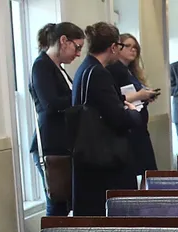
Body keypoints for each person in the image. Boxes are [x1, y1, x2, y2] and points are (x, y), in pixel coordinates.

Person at [70, 22, 142, 216]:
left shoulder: (84, 69)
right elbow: (117, 117)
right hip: (103, 159)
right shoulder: (99, 73)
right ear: (112, 47)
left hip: (88, 155)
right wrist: (133, 112)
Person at [29, 22, 84, 216]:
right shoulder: (41, 65)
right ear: (63, 41)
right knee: (57, 200)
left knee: (65, 200)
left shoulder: (58, 68)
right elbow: (50, 104)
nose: (78, 54)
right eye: (77, 47)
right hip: (50, 145)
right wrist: (80, 96)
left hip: (63, 144)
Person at [110, 33, 159, 183]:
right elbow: (118, 98)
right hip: (129, 128)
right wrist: (140, 95)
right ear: (117, 48)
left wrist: (147, 96)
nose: (133, 50)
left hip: (140, 125)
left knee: (148, 169)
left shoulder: (131, 71)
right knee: (138, 170)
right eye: (128, 46)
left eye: (135, 47)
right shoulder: (113, 70)